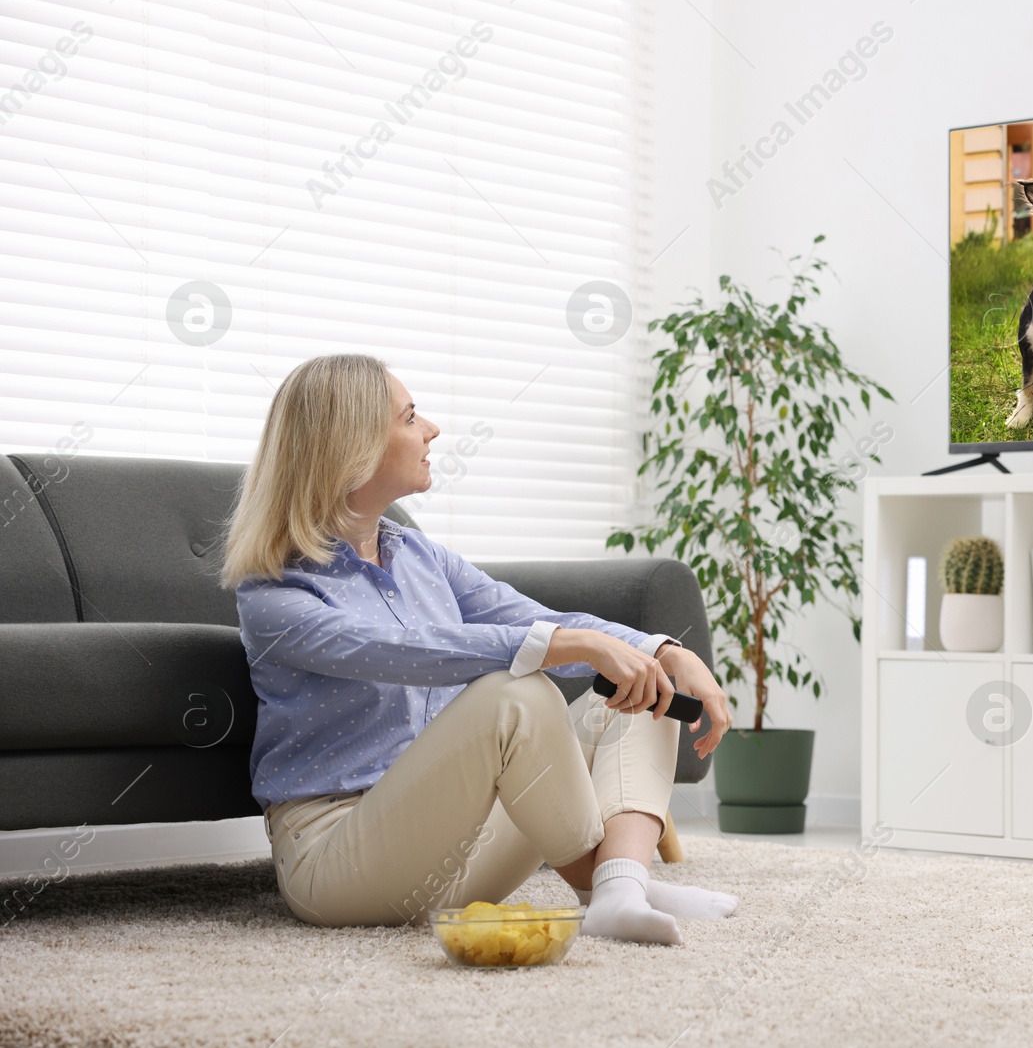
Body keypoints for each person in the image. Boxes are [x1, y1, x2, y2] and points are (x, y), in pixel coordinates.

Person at [218, 353, 735, 945]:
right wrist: (576, 645)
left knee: (642, 687)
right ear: (351, 445)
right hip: (339, 859)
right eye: (410, 417)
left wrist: (665, 651)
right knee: (514, 694)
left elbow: (537, 620)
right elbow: (403, 649)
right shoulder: (275, 593)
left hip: (456, 849)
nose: (431, 430)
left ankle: (618, 887)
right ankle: (616, 887)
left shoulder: (417, 554)